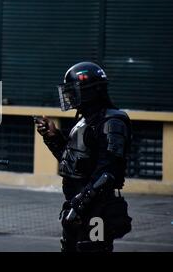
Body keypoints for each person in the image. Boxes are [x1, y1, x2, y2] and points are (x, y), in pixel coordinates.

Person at [35, 61, 132, 252]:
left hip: (97, 207)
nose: (70, 95)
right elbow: (73, 163)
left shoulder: (112, 121)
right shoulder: (84, 120)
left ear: (91, 91)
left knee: (91, 250)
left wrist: (80, 205)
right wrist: (53, 138)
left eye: (75, 90)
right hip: (76, 203)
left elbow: (107, 172)